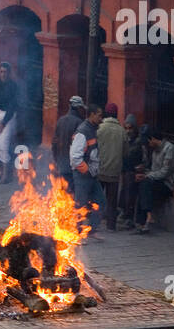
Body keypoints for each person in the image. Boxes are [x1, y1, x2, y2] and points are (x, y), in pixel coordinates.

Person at [133, 129, 174, 233]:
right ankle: (145, 219)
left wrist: (147, 176)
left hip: (168, 183)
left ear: (153, 139)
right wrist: (144, 174)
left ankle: (145, 219)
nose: (149, 145)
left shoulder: (170, 149)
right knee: (141, 184)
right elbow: (154, 171)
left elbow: (165, 172)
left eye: (149, 142)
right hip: (156, 181)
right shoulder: (155, 151)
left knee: (144, 184)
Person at [70, 104, 105, 238]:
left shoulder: (92, 130)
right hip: (83, 175)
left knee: (101, 202)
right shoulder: (83, 132)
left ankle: (92, 230)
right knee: (80, 204)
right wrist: (87, 171)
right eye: (99, 115)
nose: (101, 119)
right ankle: (77, 233)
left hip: (91, 175)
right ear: (91, 115)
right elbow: (75, 157)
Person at [96, 103, 125, 230]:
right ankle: (111, 225)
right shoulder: (122, 131)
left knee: (97, 197)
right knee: (112, 200)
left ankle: (94, 224)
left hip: (100, 169)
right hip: (114, 170)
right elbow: (126, 151)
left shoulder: (99, 129)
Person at [52, 95, 86, 189]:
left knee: (63, 192)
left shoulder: (60, 120)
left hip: (61, 163)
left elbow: (54, 143)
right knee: (72, 194)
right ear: (78, 108)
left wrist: (56, 160)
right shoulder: (80, 123)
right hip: (73, 166)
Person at [118, 114, 145, 228]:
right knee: (124, 190)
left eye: (130, 128)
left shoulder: (140, 142)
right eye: (126, 128)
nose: (128, 131)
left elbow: (145, 159)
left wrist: (141, 167)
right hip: (126, 171)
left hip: (135, 172)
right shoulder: (124, 140)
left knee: (130, 192)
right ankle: (123, 212)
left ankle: (129, 217)